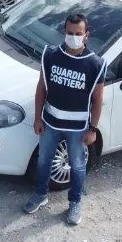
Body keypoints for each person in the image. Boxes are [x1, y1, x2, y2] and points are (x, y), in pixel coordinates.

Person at [23, 14, 106, 226]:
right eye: (70, 33)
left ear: (86, 35)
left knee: (78, 166)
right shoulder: (50, 55)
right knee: (43, 161)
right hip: (50, 123)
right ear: (64, 32)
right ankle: (41, 195)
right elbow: (41, 88)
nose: (74, 37)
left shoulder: (95, 64)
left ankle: (75, 202)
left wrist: (93, 129)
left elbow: (97, 100)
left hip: (78, 129)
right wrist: (38, 117)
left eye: (78, 34)